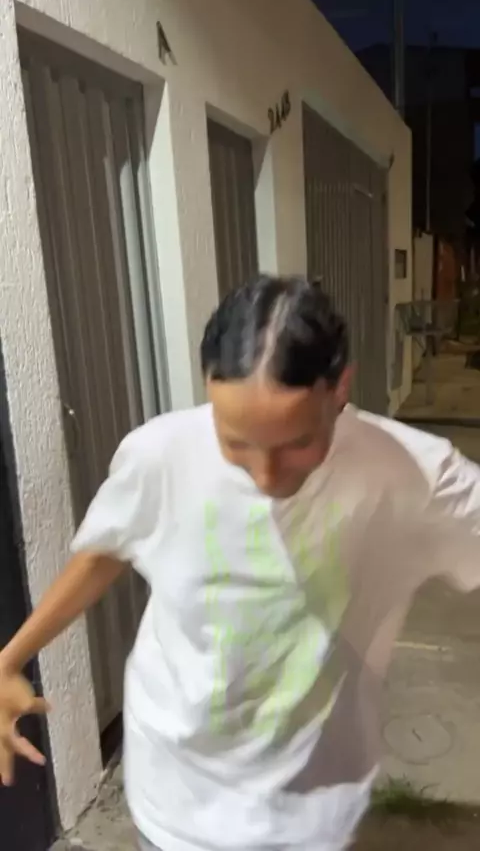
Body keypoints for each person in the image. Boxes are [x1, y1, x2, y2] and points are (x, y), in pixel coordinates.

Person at [1, 274, 480, 851]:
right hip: (175, 797)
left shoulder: (411, 472)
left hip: (311, 808)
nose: (264, 474)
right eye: (235, 441)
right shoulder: (161, 454)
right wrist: (11, 658)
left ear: (340, 389)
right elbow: (104, 551)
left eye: (296, 443)